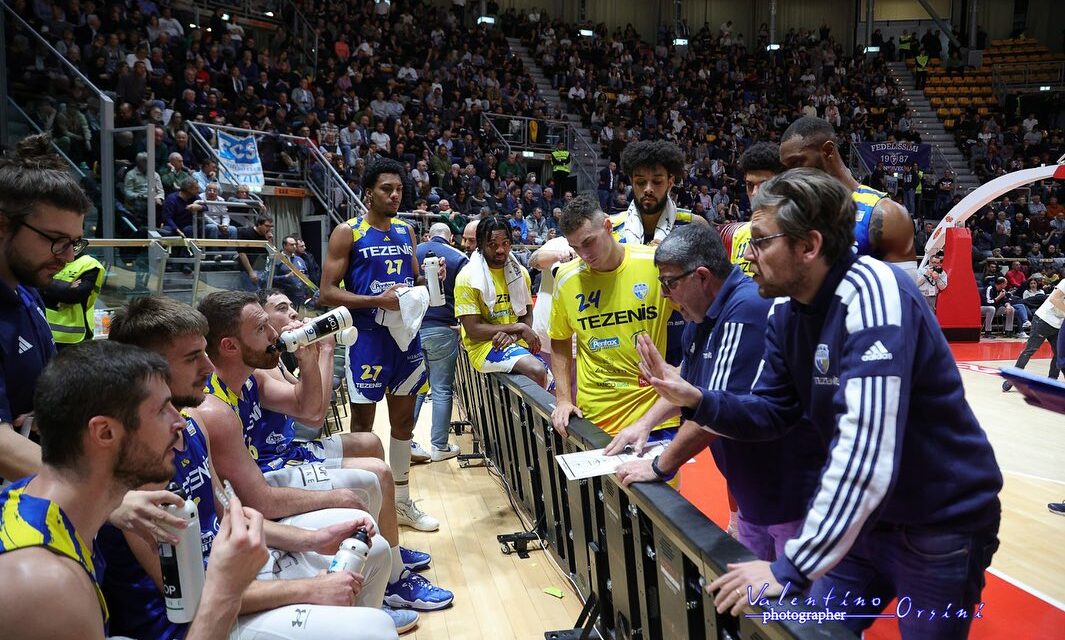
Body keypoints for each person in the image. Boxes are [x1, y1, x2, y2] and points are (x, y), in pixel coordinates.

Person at [638, 169, 1002, 637]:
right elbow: (772, 412)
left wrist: (789, 568)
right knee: (806, 631)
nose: (748, 255)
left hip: (938, 523)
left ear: (808, 246)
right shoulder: (786, 313)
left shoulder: (876, 292)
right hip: (867, 524)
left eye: (761, 241)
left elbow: (867, 455)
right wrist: (699, 399)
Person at [104, 301, 404, 637]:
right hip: (197, 620)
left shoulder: (192, 424)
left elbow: (232, 514)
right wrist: (309, 588)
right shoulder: (132, 470)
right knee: (374, 629)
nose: (208, 365)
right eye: (193, 358)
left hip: (233, 576)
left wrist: (314, 539)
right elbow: (194, 597)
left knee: (371, 551)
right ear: (148, 372)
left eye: (206, 352)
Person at [0, 341, 267, 640]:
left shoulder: (36, 497)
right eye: (162, 410)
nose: (180, 421)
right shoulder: (46, 586)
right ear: (105, 433)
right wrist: (224, 592)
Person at [609, 225, 824, 563]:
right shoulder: (698, 316)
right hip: (754, 493)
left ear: (703, 277)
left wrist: (661, 466)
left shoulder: (746, 309)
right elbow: (692, 388)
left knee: (797, 610)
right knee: (756, 610)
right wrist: (645, 423)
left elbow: (716, 412)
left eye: (669, 282)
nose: (664, 294)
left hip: (791, 496)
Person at [319, 158, 440, 533]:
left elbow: (415, 279)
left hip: (406, 338)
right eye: (386, 189)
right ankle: (366, 505)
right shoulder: (347, 232)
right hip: (367, 339)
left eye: (399, 189)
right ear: (368, 192)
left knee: (404, 420)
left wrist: (430, 280)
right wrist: (376, 301)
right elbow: (327, 292)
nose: (394, 195)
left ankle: (401, 501)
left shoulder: (407, 231)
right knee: (363, 424)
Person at [0, 133, 91, 482]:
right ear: (3, 225)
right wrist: (95, 488)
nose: (68, 257)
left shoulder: (27, 289)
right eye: (56, 241)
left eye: (74, 243)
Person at [547, 195, 675, 439]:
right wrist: (563, 399)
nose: (583, 254)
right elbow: (560, 339)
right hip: (595, 418)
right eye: (575, 247)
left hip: (655, 417)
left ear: (607, 226)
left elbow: (698, 316)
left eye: (588, 242)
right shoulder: (566, 278)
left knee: (655, 479)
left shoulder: (654, 264)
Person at [779, 116, 918, 282]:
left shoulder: (885, 214)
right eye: (785, 168)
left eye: (796, 162)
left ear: (828, 151)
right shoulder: (794, 214)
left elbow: (905, 297)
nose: (789, 176)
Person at [612, 140, 708, 365]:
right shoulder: (611, 230)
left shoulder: (695, 226)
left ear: (671, 182)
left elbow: (712, 287)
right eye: (640, 182)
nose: (648, 189)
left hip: (682, 339)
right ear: (631, 183)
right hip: (626, 343)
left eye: (656, 181)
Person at [454, 215, 547, 387]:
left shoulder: (520, 273)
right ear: (481, 245)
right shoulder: (467, 278)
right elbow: (473, 330)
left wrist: (512, 335)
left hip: (512, 341)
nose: (500, 250)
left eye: (505, 243)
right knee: (537, 370)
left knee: (552, 381)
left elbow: (526, 316)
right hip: (483, 346)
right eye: (493, 245)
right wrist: (517, 327)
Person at [413, 223, 468, 461]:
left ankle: (406, 443)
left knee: (415, 388)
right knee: (442, 389)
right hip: (444, 328)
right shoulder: (459, 257)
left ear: (428, 236)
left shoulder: (414, 252)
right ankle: (439, 447)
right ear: (451, 238)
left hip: (414, 328)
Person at [719, 142, 785, 276]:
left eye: (764, 185)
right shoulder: (735, 234)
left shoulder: (798, 238)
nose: (755, 193)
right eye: (750, 185)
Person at [1002, 275, 1064, 391]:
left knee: (1059, 354)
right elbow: (1054, 299)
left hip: (1058, 324)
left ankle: (1051, 382)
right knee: (1029, 350)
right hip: (1043, 321)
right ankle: (1012, 378)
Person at [40, 252, 105, 347]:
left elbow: (75, 295)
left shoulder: (89, 264)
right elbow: (32, 286)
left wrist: (46, 287)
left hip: (76, 335)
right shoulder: (43, 258)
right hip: (45, 332)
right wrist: (67, 286)